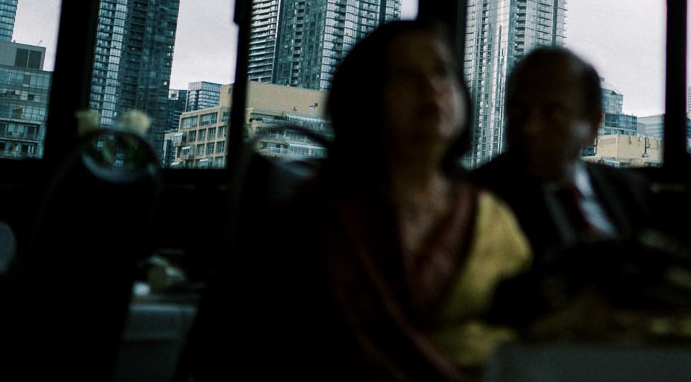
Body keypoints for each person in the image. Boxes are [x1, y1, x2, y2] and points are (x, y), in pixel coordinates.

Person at [205, 19, 531, 382]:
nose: (431, 88)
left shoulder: (490, 216)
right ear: (365, 96)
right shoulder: (322, 214)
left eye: (443, 72)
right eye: (406, 75)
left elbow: (525, 324)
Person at [470, 46, 651, 262]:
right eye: (518, 110)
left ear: (593, 125)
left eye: (552, 112)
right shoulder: (478, 200)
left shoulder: (629, 190)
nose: (530, 128)